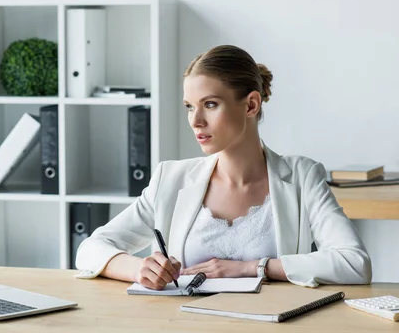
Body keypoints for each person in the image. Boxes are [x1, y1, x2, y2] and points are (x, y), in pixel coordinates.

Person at [75, 44, 372, 289]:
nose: (196, 120)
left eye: (211, 104)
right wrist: (140, 268)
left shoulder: (302, 177)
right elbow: (90, 249)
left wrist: (253, 268)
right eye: (190, 106)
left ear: (251, 105)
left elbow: (354, 263)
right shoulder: (172, 179)